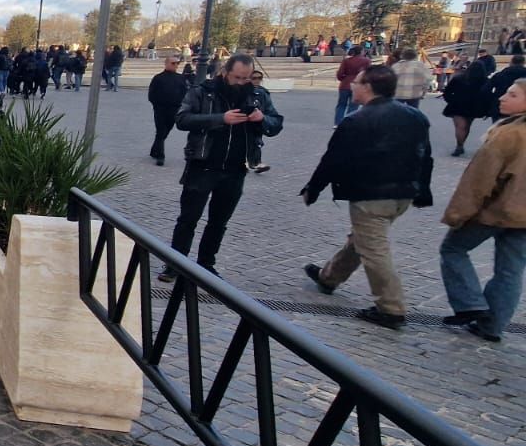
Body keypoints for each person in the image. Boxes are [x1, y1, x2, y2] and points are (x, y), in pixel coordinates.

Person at [300, 65, 434, 329]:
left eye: (357, 82)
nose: (353, 86)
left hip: (371, 194)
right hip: (402, 194)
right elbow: (424, 157)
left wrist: (313, 188)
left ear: (368, 87)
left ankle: (391, 308)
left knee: (374, 249)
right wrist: (422, 189)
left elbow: (333, 160)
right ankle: (329, 277)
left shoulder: (357, 120)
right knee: (362, 239)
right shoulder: (416, 117)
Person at [159, 55, 283, 282]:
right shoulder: (203, 91)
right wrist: (220, 118)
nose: (243, 82)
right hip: (203, 165)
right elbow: (182, 119)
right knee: (188, 218)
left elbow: (276, 124)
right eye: (237, 77)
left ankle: (206, 265)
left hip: (236, 169)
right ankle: (174, 264)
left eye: (247, 78)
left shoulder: (258, 95)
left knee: (219, 222)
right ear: (225, 72)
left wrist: (262, 119)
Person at [440, 78, 526, 341]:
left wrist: (457, 214)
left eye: (511, 95)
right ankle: (492, 325)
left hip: (498, 209)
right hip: (521, 216)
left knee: (453, 249)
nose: (502, 97)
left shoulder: (508, 134)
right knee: (510, 270)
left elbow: (479, 181)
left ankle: (470, 304)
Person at [442, 62, 495, 157]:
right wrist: (487, 108)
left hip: (458, 105)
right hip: (474, 107)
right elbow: (488, 96)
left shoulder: (459, 78)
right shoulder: (485, 80)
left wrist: (451, 100)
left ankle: (459, 145)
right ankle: (461, 144)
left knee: (460, 127)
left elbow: (447, 91)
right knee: (467, 126)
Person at [147, 56, 188, 166]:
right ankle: (160, 156)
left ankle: (154, 150)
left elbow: (185, 93)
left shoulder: (181, 78)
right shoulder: (158, 78)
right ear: (166, 64)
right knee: (160, 131)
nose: (176, 65)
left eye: (177, 63)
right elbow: (151, 94)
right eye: (173, 63)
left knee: (166, 131)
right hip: (160, 109)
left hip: (174, 109)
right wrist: (156, 105)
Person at [334, 47, 371, 126]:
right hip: (359, 84)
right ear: (361, 52)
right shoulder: (366, 61)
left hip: (345, 84)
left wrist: (343, 79)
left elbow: (340, 74)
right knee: (353, 106)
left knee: (341, 105)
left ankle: (337, 123)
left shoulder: (346, 61)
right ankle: (348, 123)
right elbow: (369, 73)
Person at [488, 54, 526, 119]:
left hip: (500, 107)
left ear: (511, 62)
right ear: (523, 63)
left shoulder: (500, 75)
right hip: (522, 109)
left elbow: (487, 88)